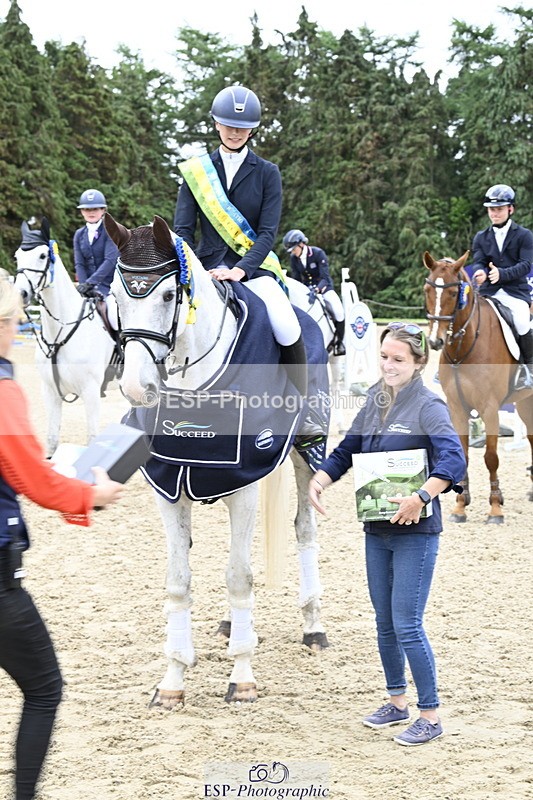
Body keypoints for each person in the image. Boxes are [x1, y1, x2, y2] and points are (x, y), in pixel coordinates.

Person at [308, 322, 466, 746]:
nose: (388, 365)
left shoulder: (429, 406)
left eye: (398, 359)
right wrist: (320, 479)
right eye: (384, 357)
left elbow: (453, 460)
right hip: (376, 529)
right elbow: (347, 450)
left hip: (416, 531)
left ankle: (429, 716)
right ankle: (397, 704)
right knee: (384, 624)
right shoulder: (374, 401)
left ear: (417, 363)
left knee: (408, 624)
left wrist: (421, 496)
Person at [0, 270, 123, 799]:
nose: (19, 324)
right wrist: (87, 497)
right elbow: (30, 474)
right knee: (46, 689)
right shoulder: (3, 389)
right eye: (11, 319)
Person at [173, 85, 325, 445]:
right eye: (228, 124)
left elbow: (268, 231)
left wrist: (241, 269)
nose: (235, 131)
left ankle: (302, 412)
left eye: (242, 126)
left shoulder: (268, 172)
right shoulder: (195, 172)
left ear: (253, 129)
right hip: (204, 268)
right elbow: (182, 229)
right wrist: (195, 269)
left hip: (253, 270)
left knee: (287, 323)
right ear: (215, 123)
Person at [471, 184, 533, 388]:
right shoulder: (481, 237)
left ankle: (528, 370)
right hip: (488, 293)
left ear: (510, 209)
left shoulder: (524, 235)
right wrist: (480, 272)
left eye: (499, 209)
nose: (494, 213)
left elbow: (526, 265)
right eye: (491, 209)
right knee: (465, 318)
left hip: (515, 293)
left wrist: (502, 274)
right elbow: (479, 260)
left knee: (523, 322)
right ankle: (453, 365)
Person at [282, 229, 346, 355]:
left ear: (301, 244)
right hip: (306, 290)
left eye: (294, 249)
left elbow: (325, 277)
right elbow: (296, 278)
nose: (294, 252)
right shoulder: (294, 258)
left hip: (324, 288)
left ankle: (339, 343)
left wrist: (317, 289)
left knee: (338, 311)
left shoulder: (318, 253)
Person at [73, 188, 119, 329]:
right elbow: (79, 263)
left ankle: (120, 344)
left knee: (113, 318)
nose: (91, 212)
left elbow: (110, 260)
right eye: (87, 209)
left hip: (110, 285)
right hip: (87, 287)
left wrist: (91, 283)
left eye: (95, 209)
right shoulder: (79, 234)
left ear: (103, 210)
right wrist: (83, 285)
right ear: (82, 212)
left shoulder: (111, 230)